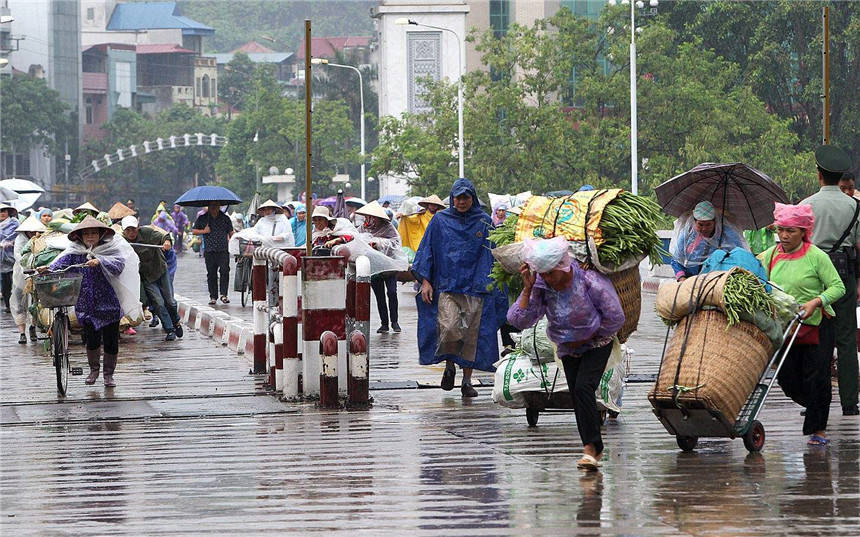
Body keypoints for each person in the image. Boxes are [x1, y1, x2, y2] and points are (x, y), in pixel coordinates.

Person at [507, 237, 625, 470]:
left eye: (551, 273)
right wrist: (528, 287)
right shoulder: (541, 286)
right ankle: (593, 449)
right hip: (566, 347)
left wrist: (589, 337)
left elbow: (615, 317)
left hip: (597, 343)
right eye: (543, 274)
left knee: (583, 387)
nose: (547, 278)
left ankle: (591, 449)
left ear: (563, 266)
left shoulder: (590, 282)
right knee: (578, 396)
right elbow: (518, 320)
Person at [412, 178, 507, 398]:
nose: (462, 201)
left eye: (466, 197)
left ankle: (466, 381)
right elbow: (427, 250)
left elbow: (494, 253)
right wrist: (425, 280)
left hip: (476, 288)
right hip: (447, 286)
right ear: (452, 198)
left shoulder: (484, 222)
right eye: (458, 197)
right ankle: (449, 365)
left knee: (470, 337)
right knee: (449, 328)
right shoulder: (440, 221)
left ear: (472, 198)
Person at [760, 203, 845, 444]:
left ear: (804, 232)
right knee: (788, 380)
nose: (784, 236)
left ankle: (818, 431)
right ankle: (818, 405)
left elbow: (838, 287)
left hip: (818, 325)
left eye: (791, 231)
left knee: (818, 376)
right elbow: (754, 274)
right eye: (781, 230)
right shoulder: (770, 255)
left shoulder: (816, 256)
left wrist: (817, 301)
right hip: (787, 327)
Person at [801, 145, 859, 416]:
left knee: (815, 338)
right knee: (846, 339)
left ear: (819, 175)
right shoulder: (854, 207)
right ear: (840, 178)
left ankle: (815, 401)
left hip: (812, 275)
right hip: (844, 274)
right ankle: (850, 403)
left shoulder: (805, 206)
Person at [46, 216, 136, 387]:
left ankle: (108, 375)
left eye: (94, 233)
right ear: (80, 236)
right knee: (92, 340)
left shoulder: (109, 249)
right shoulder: (76, 252)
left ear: (100, 234)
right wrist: (48, 268)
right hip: (86, 303)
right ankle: (93, 370)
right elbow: (60, 264)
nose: (90, 236)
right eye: (86, 233)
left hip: (109, 301)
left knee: (110, 340)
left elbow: (119, 265)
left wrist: (100, 261)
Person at [122, 216, 183, 341]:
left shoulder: (147, 233)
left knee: (170, 301)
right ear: (123, 231)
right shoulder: (122, 242)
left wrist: (166, 242)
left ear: (138, 228)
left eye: (133, 229)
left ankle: (176, 321)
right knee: (159, 303)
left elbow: (164, 236)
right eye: (128, 230)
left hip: (160, 270)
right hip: (146, 277)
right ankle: (169, 329)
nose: (131, 233)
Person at [669, 200, 748, 281]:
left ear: (715, 222)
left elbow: (740, 255)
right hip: (690, 280)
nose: (704, 228)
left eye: (708, 224)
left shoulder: (727, 234)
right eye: (700, 224)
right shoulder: (688, 235)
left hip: (719, 281)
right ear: (695, 222)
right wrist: (681, 278)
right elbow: (676, 259)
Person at [356, 201, 402, 333]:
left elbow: (395, 243)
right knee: (379, 295)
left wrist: (379, 243)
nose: (370, 219)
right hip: (373, 266)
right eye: (368, 217)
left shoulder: (388, 228)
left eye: (373, 217)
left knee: (392, 293)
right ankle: (384, 323)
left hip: (389, 265)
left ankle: (395, 321)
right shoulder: (362, 229)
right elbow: (357, 242)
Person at [10, 215, 46, 343]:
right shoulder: (20, 239)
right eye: (30, 231)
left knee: (35, 303)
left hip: (38, 273)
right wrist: (29, 267)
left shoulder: (42, 239)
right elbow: (18, 256)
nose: (32, 233)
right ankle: (21, 332)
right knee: (19, 303)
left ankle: (33, 326)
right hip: (21, 275)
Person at [192, 202, 234, 305]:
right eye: (212, 206)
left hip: (223, 249)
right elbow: (194, 231)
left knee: (224, 271)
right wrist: (204, 231)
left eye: (216, 206)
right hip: (209, 250)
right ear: (209, 207)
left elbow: (231, 232)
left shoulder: (225, 218)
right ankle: (213, 296)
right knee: (211, 273)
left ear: (219, 206)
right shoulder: (203, 218)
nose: (214, 208)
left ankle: (224, 294)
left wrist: (236, 238)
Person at [0, 204, 20, 312]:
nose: (2, 213)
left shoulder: (15, 223)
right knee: (5, 284)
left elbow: (17, 236)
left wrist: (9, 242)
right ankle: (8, 305)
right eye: (0, 211)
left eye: (4, 211)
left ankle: (17, 305)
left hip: (13, 257)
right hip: (2, 260)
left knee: (16, 282)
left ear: (8, 212)